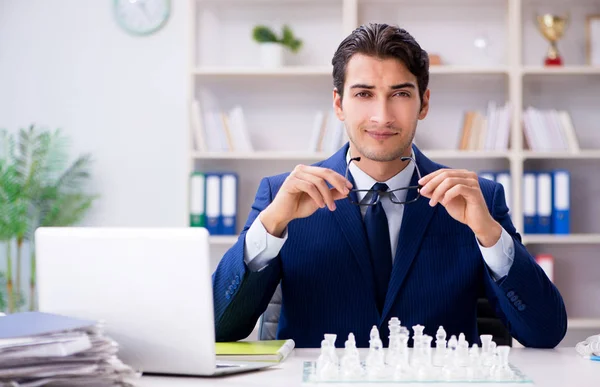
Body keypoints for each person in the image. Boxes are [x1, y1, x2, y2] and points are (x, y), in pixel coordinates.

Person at [212, 23, 567, 348]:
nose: (382, 116)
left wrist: (489, 234)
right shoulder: (281, 197)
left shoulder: (479, 199)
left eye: (399, 94)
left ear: (423, 103)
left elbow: (546, 332)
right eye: (364, 94)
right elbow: (218, 329)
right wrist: (271, 226)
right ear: (339, 104)